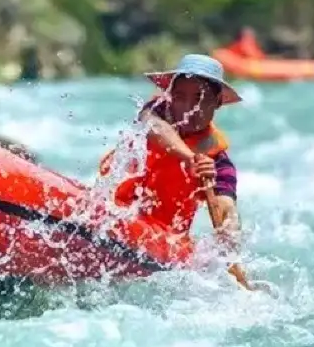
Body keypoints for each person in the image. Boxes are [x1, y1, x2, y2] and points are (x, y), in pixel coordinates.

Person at [99, 53, 265, 291]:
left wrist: (229, 235)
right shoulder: (155, 111)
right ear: (169, 97)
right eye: (180, 97)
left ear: (217, 102)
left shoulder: (219, 164)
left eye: (200, 98)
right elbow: (153, 126)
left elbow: (226, 208)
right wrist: (189, 158)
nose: (189, 108)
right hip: (112, 211)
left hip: (160, 241)